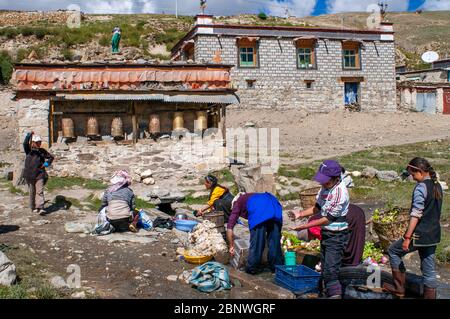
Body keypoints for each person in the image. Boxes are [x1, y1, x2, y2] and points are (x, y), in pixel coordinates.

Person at [383, 157, 443, 299]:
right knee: (429, 269)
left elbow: (416, 214)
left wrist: (407, 237)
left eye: (413, 174)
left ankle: (399, 289)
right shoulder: (437, 185)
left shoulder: (421, 187)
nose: (412, 177)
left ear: (420, 172)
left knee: (393, 251)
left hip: (419, 234)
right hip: (433, 234)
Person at [289, 160, 350, 298]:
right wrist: (300, 214)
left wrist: (305, 226)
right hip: (326, 233)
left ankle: (334, 295)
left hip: (337, 235)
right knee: (325, 266)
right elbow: (317, 208)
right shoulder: (326, 188)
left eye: (325, 181)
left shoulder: (340, 192)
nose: (322, 183)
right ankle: (323, 293)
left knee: (331, 271)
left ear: (335, 178)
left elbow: (328, 218)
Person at [227, 192, 283, 275]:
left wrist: (231, 246)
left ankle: (252, 269)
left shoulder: (237, 202)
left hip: (260, 210)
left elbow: (229, 228)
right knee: (274, 243)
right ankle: (277, 268)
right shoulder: (250, 196)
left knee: (257, 243)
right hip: (275, 206)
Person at [23, 132, 54, 215]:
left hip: (39, 174)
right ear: (33, 143)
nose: (39, 144)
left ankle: (40, 208)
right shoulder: (28, 150)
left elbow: (51, 157)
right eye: (37, 142)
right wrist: (29, 135)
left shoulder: (42, 151)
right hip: (29, 175)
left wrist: (47, 163)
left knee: (39, 191)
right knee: (32, 192)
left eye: (40, 142)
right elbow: (25, 143)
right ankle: (33, 207)